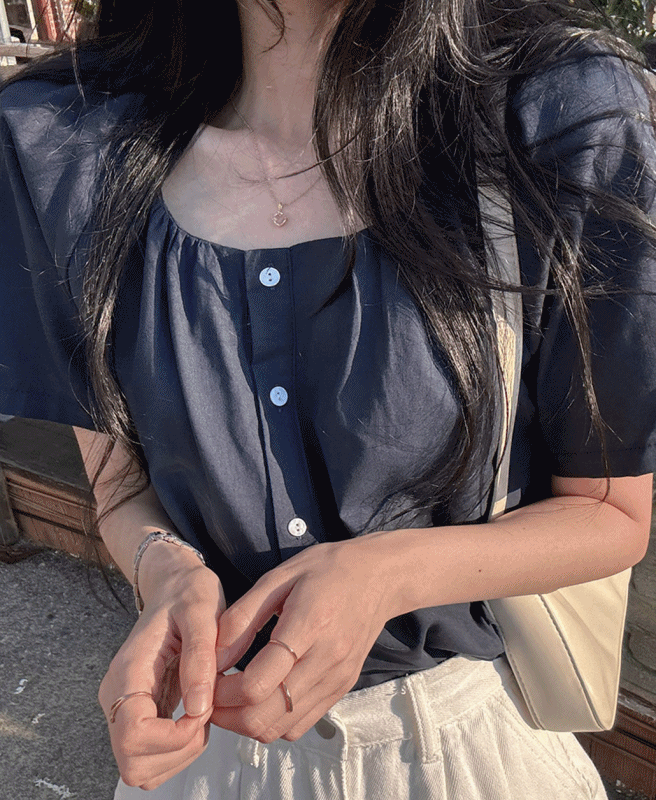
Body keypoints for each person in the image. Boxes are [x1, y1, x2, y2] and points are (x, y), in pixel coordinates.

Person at [1, 0, 656, 797]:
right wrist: (166, 574)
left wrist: (386, 575)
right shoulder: (64, 141)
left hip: (463, 751)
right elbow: (119, 491)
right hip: (204, 751)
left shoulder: (555, 111)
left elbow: (610, 514)